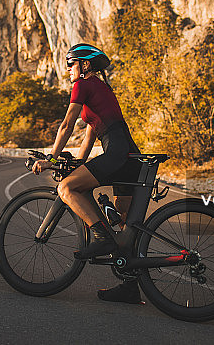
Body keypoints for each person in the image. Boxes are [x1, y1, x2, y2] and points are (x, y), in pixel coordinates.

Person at [32, 43, 143, 305]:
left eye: (71, 63)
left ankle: (102, 236)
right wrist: (75, 164)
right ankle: (130, 286)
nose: (68, 69)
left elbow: (67, 125)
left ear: (84, 65)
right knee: (126, 226)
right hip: (129, 156)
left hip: (117, 153)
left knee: (67, 189)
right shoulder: (102, 89)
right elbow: (91, 137)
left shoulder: (83, 84)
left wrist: (51, 158)